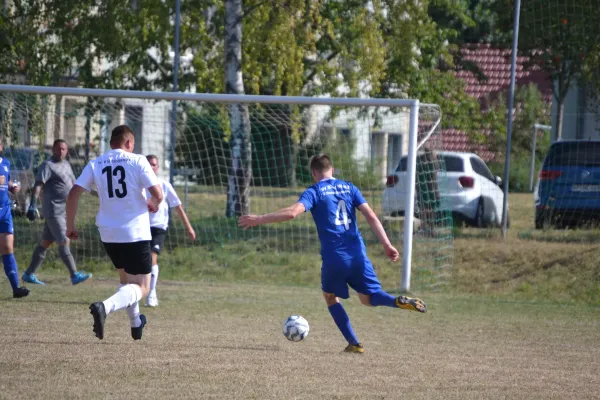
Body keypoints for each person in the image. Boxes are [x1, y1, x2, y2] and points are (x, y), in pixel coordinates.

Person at [238, 154, 427, 353]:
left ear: (313, 173)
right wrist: (387, 245)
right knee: (369, 298)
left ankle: (354, 344)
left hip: (335, 257)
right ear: (332, 170)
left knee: (330, 296)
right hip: (358, 255)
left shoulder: (315, 191)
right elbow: (370, 215)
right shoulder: (350, 187)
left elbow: (293, 212)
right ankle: (396, 301)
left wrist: (259, 219)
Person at [66, 125, 163, 340]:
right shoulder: (137, 160)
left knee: (127, 280)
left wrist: (70, 225)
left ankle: (136, 322)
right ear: (129, 143)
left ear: (111, 143)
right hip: (134, 232)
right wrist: (153, 203)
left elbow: (73, 193)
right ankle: (105, 307)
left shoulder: (96, 163)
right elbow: (158, 193)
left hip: (108, 232)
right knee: (143, 287)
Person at [22, 139, 92, 285]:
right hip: (54, 210)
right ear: (53, 149)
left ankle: (29, 274)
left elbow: (73, 184)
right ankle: (74, 275)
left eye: (64, 149)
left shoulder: (66, 165)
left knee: (45, 243)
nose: (61, 151)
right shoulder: (48, 165)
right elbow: (38, 185)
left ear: (67, 151)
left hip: (64, 211)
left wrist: (91, 190)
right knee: (64, 241)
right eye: (59, 148)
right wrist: (33, 205)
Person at [144, 155, 196, 307]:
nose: (151, 167)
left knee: (152, 258)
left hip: (158, 228)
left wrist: (189, 228)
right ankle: (135, 291)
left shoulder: (164, 185)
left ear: (157, 168)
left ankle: (151, 293)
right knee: (140, 262)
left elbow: (178, 207)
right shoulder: (138, 186)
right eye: (149, 164)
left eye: (154, 164)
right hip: (140, 227)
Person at [0, 140, 29, 298]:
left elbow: (6, 179)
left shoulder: (5, 162)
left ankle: (16, 288)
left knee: (7, 248)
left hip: (4, 211)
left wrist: (11, 187)